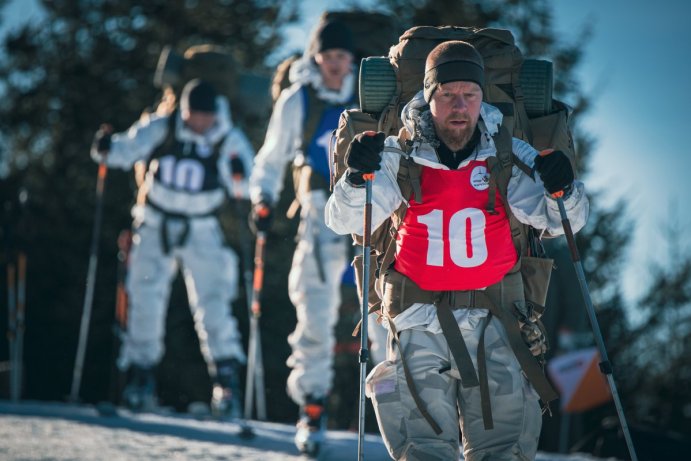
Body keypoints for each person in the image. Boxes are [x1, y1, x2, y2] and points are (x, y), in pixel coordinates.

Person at [325, 41, 589, 460]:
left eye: (469, 93)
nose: (459, 105)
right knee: (424, 450)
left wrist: (565, 189)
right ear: (428, 97)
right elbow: (343, 221)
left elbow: (562, 223)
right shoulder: (398, 152)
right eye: (447, 94)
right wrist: (357, 179)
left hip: (497, 321)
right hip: (416, 322)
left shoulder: (508, 154)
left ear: (482, 97)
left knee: (503, 451)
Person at [248, 18, 385, 454]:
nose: (336, 65)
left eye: (343, 57)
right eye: (329, 57)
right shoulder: (298, 98)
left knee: (386, 311)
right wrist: (262, 199)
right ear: (316, 57)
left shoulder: (367, 95)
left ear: (352, 60)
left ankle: (396, 411)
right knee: (313, 311)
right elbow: (271, 157)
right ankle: (312, 407)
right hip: (318, 217)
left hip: (369, 215)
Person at [91, 79, 255, 418]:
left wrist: (240, 175)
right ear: (184, 110)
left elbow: (248, 184)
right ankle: (140, 378)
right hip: (153, 221)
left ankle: (226, 383)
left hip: (201, 225)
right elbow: (125, 151)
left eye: (205, 117)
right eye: (194, 115)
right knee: (145, 296)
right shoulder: (162, 126)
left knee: (214, 301)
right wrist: (106, 147)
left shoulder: (226, 136)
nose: (199, 123)